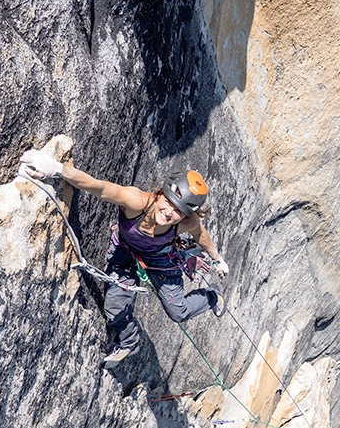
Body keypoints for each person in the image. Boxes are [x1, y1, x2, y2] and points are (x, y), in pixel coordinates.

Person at [19, 144, 230, 370]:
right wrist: (57, 169)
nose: (169, 212)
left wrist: (217, 259)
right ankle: (129, 342)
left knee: (179, 313)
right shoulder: (136, 202)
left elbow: (200, 235)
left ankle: (210, 297)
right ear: (160, 193)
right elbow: (99, 187)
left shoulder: (186, 222)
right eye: (168, 202)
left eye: (178, 211)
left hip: (160, 261)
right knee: (114, 310)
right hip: (125, 254)